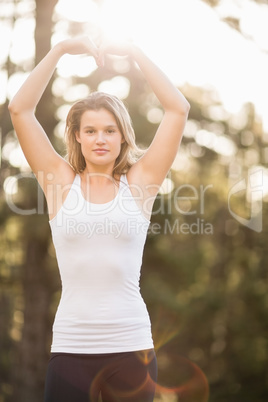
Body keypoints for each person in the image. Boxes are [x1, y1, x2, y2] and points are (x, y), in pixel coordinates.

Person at [8, 35, 190, 402]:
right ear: (77, 136)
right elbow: (19, 110)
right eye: (90, 131)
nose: (100, 139)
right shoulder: (59, 184)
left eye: (110, 130)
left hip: (132, 349)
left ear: (123, 137)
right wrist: (58, 51)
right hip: (71, 349)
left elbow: (178, 109)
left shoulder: (141, 183)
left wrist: (137, 52)